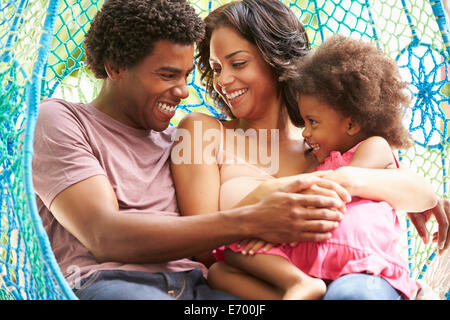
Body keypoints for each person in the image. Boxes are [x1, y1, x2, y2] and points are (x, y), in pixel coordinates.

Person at [32, 0, 352, 300]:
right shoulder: (60, 119)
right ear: (115, 66)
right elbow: (104, 236)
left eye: (186, 76)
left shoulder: (179, 141)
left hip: (197, 289)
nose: (184, 92)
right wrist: (252, 219)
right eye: (168, 75)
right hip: (112, 282)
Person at [170, 0, 448, 300]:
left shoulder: (324, 143)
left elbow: (391, 178)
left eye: (238, 63)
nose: (223, 80)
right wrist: (262, 201)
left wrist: (422, 197)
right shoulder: (200, 132)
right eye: (216, 68)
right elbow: (203, 250)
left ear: (275, 58)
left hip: (348, 282)